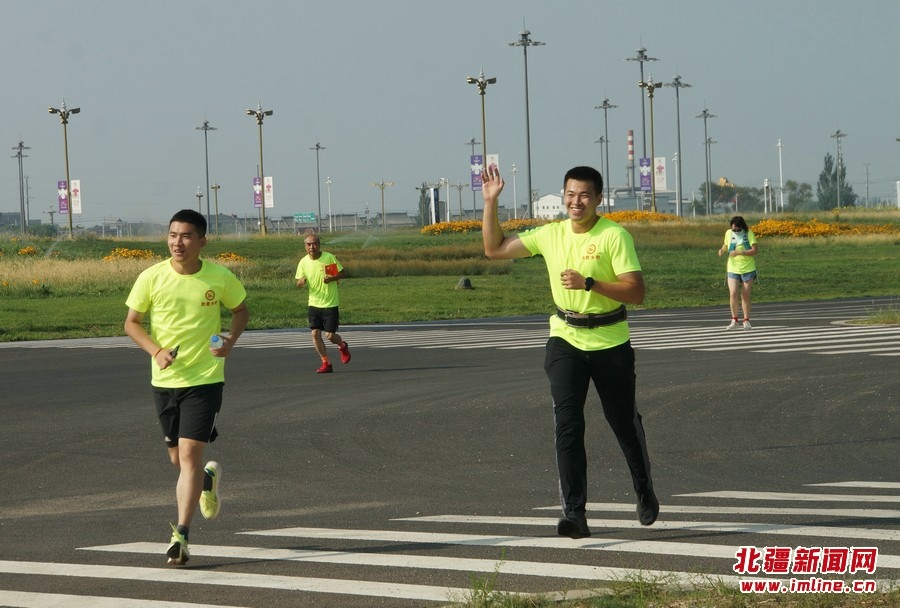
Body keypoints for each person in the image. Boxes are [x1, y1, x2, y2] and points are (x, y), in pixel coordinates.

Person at [481, 165, 658, 539]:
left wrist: (590, 283)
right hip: (565, 338)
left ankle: (644, 489)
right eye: (570, 194)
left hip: (610, 340)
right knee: (568, 424)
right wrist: (491, 202)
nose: (576, 202)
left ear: (598, 199)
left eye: (584, 195)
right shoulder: (551, 234)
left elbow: (636, 292)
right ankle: (575, 513)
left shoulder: (614, 236)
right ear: (563, 196)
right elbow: (494, 249)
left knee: (622, 421)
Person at [124, 209, 249, 565]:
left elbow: (240, 311)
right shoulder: (151, 277)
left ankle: (181, 535)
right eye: (173, 235)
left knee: (190, 455)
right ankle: (206, 483)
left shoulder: (219, 277)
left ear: (202, 241)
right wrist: (156, 351)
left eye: (186, 236)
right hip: (165, 381)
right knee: (178, 460)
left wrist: (230, 340)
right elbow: (132, 323)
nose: (178, 242)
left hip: (205, 378)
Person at [295, 233, 351, 373]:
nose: (312, 247)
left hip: (330, 303)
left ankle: (343, 346)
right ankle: (326, 363)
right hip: (314, 303)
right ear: (305, 246)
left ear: (319, 245)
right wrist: (301, 282)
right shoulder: (303, 262)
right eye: (309, 244)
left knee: (330, 335)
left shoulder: (328, 258)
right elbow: (298, 281)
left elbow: (342, 274)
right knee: (315, 334)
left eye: (314, 244)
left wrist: (331, 279)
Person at [718, 215, 759, 330]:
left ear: (742, 227)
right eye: (733, 229)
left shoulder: (749, 234)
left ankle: (746, 320)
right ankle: (734, 320)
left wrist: (740, 253)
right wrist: (722, 250)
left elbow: (755, 250)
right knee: (733, 293)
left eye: (737, 230)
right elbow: (726, 245)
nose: (735, 231)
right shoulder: (728, 233)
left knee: (745, 295)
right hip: (732, 268)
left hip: (747, 268)